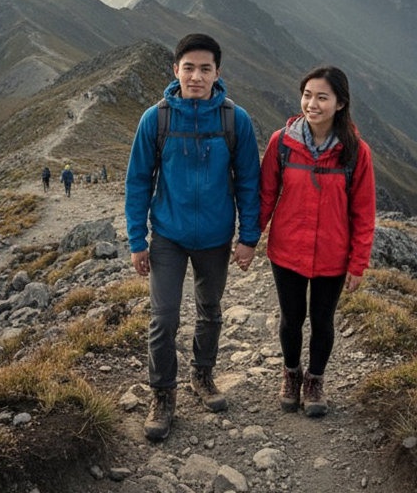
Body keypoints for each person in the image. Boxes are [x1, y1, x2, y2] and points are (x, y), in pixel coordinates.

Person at [125, 33, 261, 441]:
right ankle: (162, 394)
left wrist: (247, 237)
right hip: (167, 235)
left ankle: (202, 376)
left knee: (210, 310)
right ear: (175, 70)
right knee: (164, 319)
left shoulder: (235, 120)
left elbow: (250, 183)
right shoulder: (157, 119)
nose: (196, 76)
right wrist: (137, 240)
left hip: (217, 237)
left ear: (217, 72)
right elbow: (137, 182)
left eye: (205, 69)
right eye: (189, 68)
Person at [258, 65, 376, 417]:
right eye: (307, 95)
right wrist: (249, 238)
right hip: (287, 250)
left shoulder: (355, 152)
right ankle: (291, 374)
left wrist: (358, 263)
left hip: (332, 255)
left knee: (323, 321)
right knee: (291, 319)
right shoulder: (282, 143)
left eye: (322, 97)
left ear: (340, 103)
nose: (312, 104)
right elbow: (266, 195)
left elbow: (364, 213)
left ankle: (315, 380)